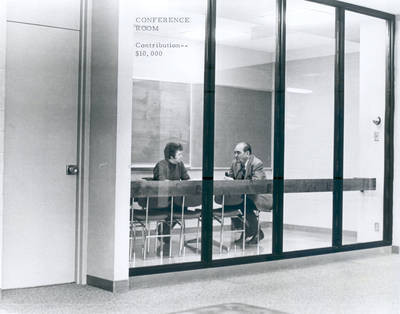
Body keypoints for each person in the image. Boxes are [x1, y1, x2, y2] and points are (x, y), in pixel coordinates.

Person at [225, 142, 272, 245]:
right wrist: (228, 179)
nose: (235, 155)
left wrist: (235, 183)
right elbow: (231, 177)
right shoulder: (234, 163)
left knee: (243, 203)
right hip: (243, 196)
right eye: (234, 153)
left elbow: (257, 185)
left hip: (258, 196)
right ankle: (253, 231)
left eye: (238, 152)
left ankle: (251, 231)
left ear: (247, 153)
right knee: (232, 203)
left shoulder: (257, 163)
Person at [153, 142, 189, 256]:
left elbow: (187, 180)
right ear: (171, 156)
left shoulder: (180, 165)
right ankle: (164, 229)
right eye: (179, 154)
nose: (181, 156)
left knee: (183, 205)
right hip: (162, 200)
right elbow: (162, 183)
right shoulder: (161, 165)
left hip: (175, 199)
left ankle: (164, 228)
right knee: (175, 207)